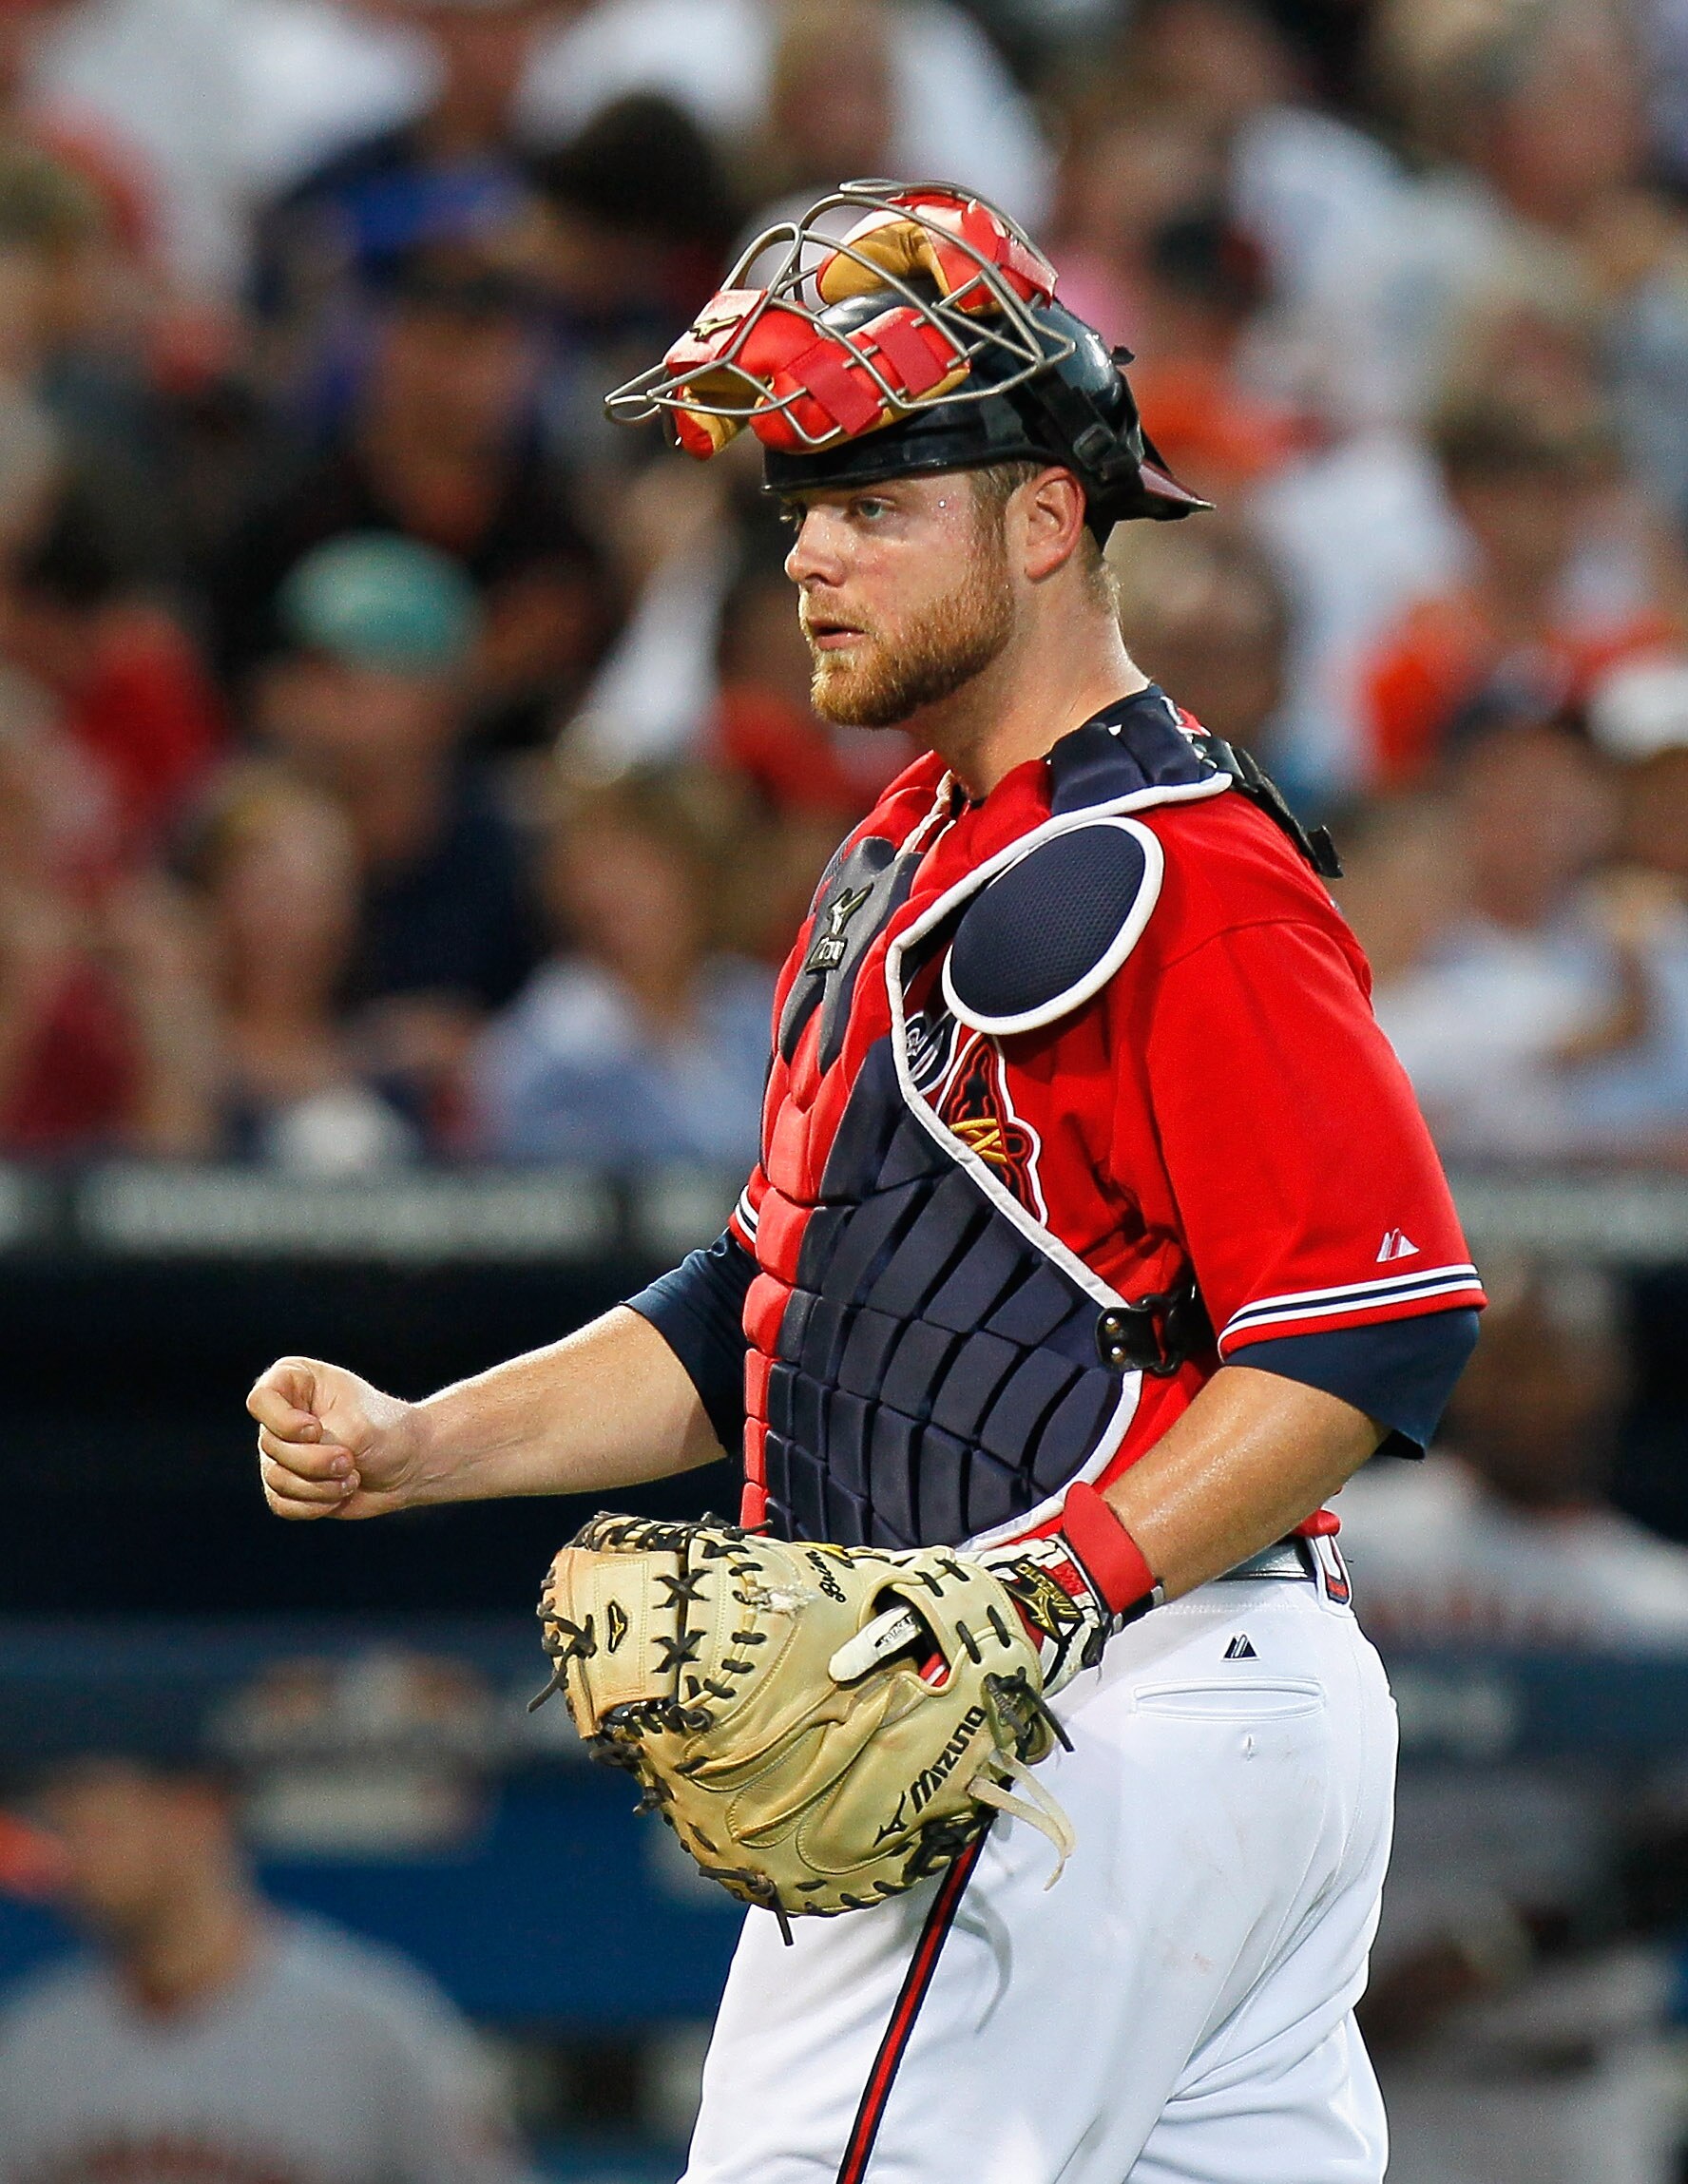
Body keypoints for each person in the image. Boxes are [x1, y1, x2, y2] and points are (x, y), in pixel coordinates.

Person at [249, 182, 1486, 2183]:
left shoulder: (1174, 866)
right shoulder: (915, 842)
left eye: (872, 502)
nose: (810, 554)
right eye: (798, 505)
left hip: (1075, 1723)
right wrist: (419, 1443)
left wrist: (1030, 1602)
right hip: (1135, 1716)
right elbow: (780, 1298)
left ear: (1043, 520)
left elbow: (1375, 1329)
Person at [0, 1752, 530, 2184]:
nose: (73, 1861)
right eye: (62, 1834)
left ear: (199, 1812)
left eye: (98, 1829)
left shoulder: (370, 2022)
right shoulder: (28, 2040)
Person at [468, 760, 772, 1168]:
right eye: (596, 869)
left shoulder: (763, 1010)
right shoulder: (547, 1041)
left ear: (700, 876)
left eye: (645, 868)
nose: (612, 895)